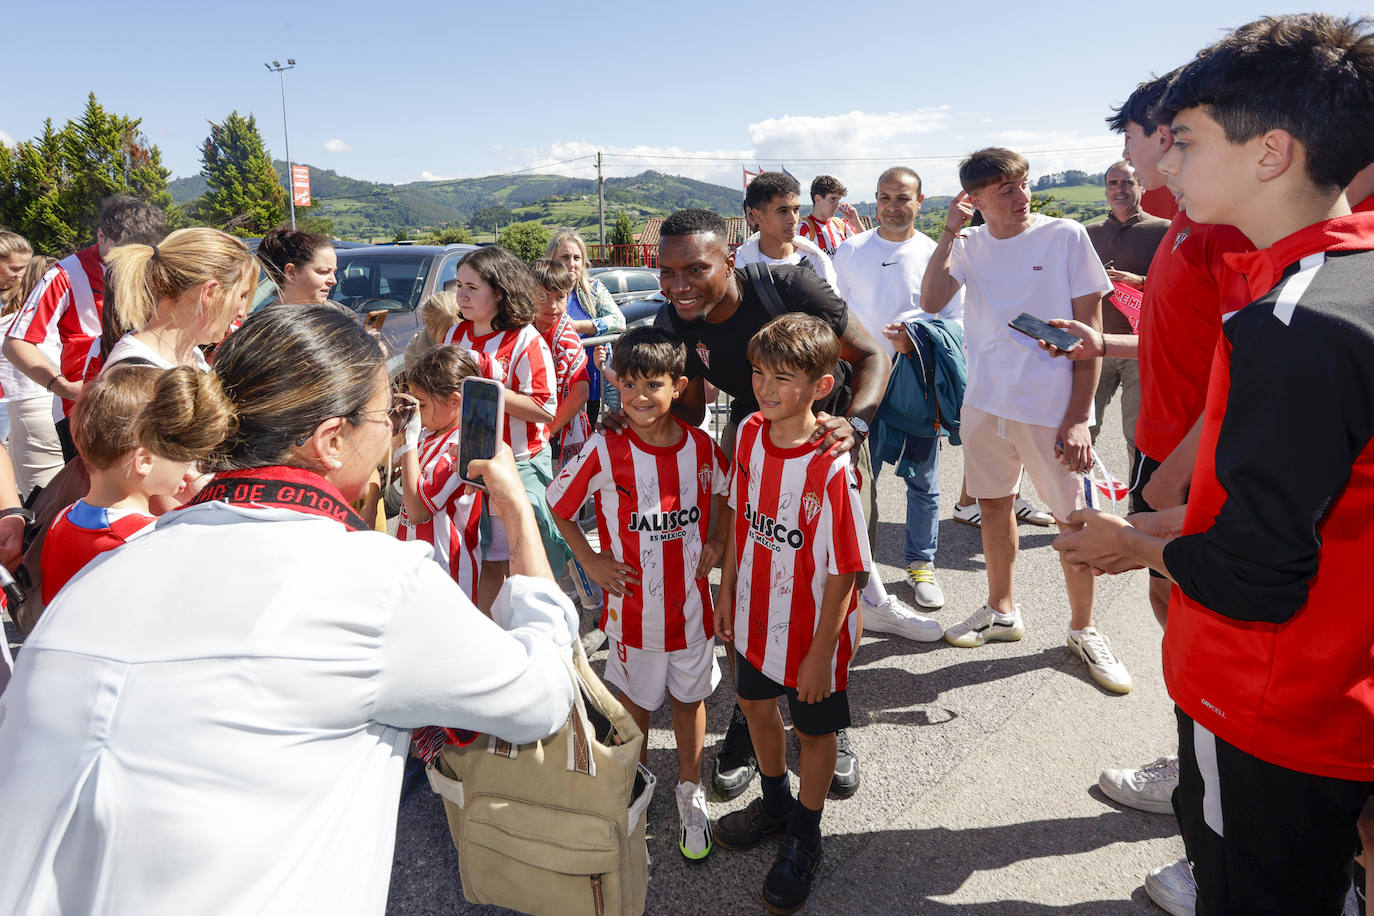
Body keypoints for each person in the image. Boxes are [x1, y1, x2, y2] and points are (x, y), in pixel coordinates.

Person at [0, 303, 578, 914]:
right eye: (388, 415)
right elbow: (540, 696)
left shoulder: (110, 565)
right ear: (332, 440)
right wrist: (517, 511)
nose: (392, 430)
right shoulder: (375, 581)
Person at [1055, 14, 1374, 913]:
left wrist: (1136, 542)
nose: (1168, 166)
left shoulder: (1292, 321)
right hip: (1334, 686)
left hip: (1266, 699)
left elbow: (1255, 575)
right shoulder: (1344, 278)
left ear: (1270, 152)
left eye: (1185, 142)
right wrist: (1163, 522)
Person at [649, 207, 895, 802]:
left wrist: (854, 427)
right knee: (758, 576)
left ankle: (829, 714)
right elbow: (679, 414)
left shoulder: (788, 287)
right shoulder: (674, 320)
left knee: (829, 579)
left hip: (826, 434)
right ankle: (750, 714)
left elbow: (873, 355)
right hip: (755, 437)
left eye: (695, 269)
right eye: (667, 271)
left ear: (730, 260)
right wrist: (627, 418)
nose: (678, 284)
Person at [920, 148, 1131, 695]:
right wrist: (948, 230)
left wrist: (1080, 418)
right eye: (1005, 189)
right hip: (987, 402)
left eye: (1022, 183)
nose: (1020, 196)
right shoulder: (968, 244)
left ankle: (1084, 628)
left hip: (1052, 409)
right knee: (993, 507)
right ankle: (1001, 610)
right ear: (976, 199)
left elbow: (1090, 332)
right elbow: (932, 298)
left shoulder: (1064, 235)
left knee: (1077, 522)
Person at [547, 327, 729, 863]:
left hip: (693, 610)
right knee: (635, 709)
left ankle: (690, 791)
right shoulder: (607, 448)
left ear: (679, 386)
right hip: (633, 618)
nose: (639, 396)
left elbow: (724, 491)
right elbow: (559, 506)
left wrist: (717, 536)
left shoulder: (700, 447)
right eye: (628, 385)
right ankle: (636, 788)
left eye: (653, 384)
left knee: (690, 701)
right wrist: (592, 560)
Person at [713, 313, 871, 914]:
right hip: (753, 610)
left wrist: (821, 653)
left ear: (821, 387)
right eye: (758, 373)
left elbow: (847, 567)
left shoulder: (832, 465)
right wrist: (727, 590)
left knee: (814, 731)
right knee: (753, 705)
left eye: (783, 377)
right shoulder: (750, 432)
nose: (764, 388)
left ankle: (807, 831)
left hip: (812, 630)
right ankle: (776, 804)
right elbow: (742, 519)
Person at [833, 166, 964, 615]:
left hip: (915, 382)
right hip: (860, 382)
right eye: (885, 197)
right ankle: (856, 571)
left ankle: (920, 565)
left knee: (923, 481)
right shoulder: (849, 250)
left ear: (920, 201)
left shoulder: (937, 253)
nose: (893, 206)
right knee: (852, 480)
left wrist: (917, 336)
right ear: (875, 200)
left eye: (903, 198)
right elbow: (835, 314)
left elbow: (958, 321)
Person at [443, 246, 570, 610]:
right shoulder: (454, 335)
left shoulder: (526, 339)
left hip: (519, 464)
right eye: (459, 286)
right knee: (484, 559)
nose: (462, 296)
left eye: (472, 287)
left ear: (499, 292)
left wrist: (488, 389)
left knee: (524, 559)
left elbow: (545, 409)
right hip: (467, 466)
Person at [3, 195, 166, 461]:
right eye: (123, 250)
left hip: (145, 403)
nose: (131, 261)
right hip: (84, 410)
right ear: (101, 236)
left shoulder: (153, 266)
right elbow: (16, 342)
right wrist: (64, 387)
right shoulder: (65, 274)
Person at [40, 365, 197, 603]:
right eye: (182, 448)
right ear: (144, 461)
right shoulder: (150, 537)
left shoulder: (62, 518)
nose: (190, 461)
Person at [1083, 161, 1169, 468]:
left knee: (1138, 434)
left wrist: (1142, 282)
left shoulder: (1165, 230)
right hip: (1095, 344)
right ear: (1106, 190)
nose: (1120, 189)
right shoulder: (1087, 234)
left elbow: (1180, 284)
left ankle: (1139, 510)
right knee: (1082, 430)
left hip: (1140, 348)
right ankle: (1075, 507)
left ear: (1142, 187)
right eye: (1113, 183)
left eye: (1127, 183)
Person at [94, 228, 256, 375]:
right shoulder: (140, 376)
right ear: (210, 293)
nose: (242, 311)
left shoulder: (188, 354)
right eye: (242, 295)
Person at [394, 345, 484, 601]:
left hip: (450, 573)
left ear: (455, 401)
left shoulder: (463, 445)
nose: (416, 413)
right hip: (418, 563)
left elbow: (418, 511)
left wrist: (408, 443)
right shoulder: (429, 432)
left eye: (421, 405)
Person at [546, 230, 624, 423]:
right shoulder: (541, 291)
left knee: (586, 436)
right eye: (564, 257)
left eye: (576, 257)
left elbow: (619, 321)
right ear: (552, 259)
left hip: (590, 375)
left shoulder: (593, 290)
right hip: (553, 381)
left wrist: (578, 326)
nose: (571, 264)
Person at [1, 254, 59, 498]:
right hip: (66, 407)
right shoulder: (67, 321)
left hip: (27, 412)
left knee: (38, 501)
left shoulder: (9, 326)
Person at [530, 258, 592, 465]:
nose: (553, 306)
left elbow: (580, 392)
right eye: (543, 297)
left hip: (558, 428)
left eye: (560, 297)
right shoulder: (525, 328)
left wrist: (548, 431)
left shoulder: (566, 339)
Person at [734, 172, 839, 289]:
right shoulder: (739, 266)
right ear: (757, 216)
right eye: (783, 211)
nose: (793, 219)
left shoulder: (816, 260)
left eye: (796, 210)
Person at [0, 231, 34, 446]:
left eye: (25, 268)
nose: (21, 275)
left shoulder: (25, 296)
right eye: (14, 268)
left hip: (16, 396)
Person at [255, 226, 337, 305]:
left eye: (334, 272)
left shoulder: (339, 313)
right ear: (291, 272)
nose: (333, 281)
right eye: (324, 272)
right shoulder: (268, 319)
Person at [799, 175, 862, 256]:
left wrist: (856, 221)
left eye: (838, 200)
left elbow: (867, 246)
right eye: (833, 199)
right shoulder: (803, 229)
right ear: (817, 198)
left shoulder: (842, 224)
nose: (837, 205)